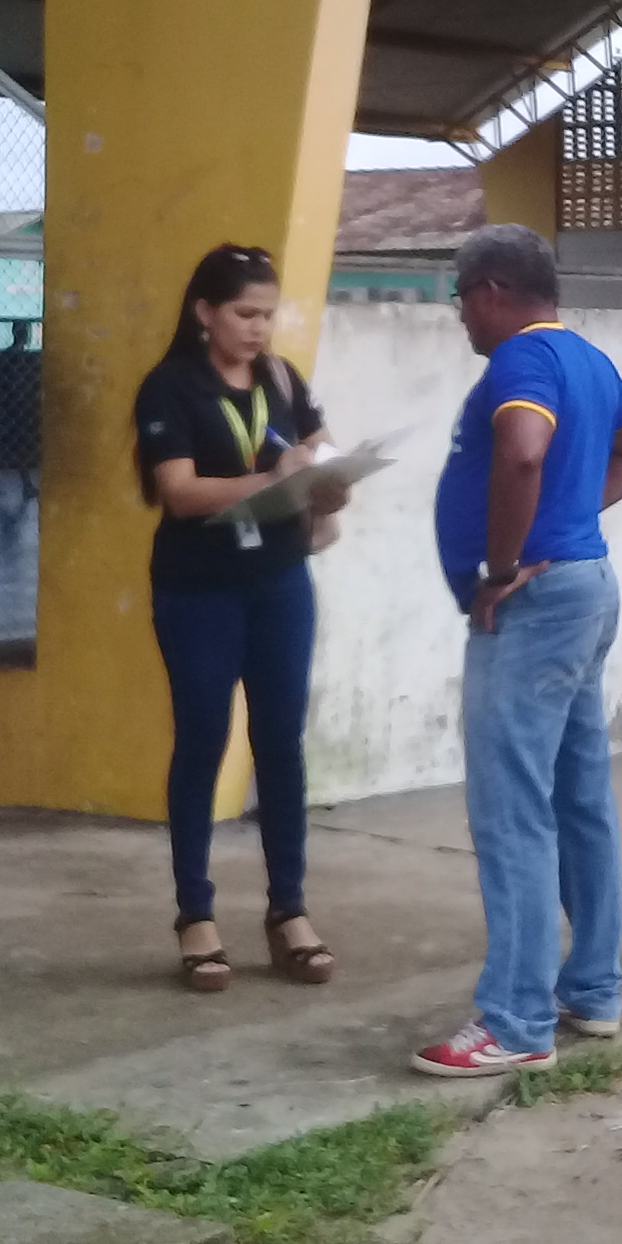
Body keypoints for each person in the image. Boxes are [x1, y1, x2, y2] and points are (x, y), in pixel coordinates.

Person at [411, 224, 622, 1080]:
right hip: (586, 590)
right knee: (579, 797)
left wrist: (501, 567)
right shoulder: (588, 359)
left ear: (490, 292)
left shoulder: (521, 359)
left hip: (535, 608)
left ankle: (516, 1021)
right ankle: (592, 989)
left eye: (461, 300)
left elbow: (521, 452)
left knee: (512, 810)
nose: (461, 318)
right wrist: (571, 518)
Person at [134, 244, 354, 994]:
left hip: (279, 581)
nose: (259, 328)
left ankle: (289, 909)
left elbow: (315, 452)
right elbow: (178, 491)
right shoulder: (171, 387)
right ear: (206, 312)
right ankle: (195, 914)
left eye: (268, 314)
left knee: (281, 742)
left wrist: (328, 484)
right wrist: (268, 480)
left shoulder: (282, 379)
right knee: (203, 740)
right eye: (245, 314)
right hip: (200, 589)